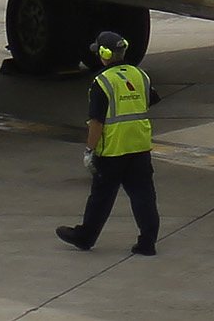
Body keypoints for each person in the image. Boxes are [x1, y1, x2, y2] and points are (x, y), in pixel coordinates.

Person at [55, 28, 155, 256]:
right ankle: (148, 241)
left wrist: (90, 150)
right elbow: (150, 100)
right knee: (144, 195)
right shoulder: (140, 75)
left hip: (113, 150)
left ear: (104, 54)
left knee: (101, 197)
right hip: (139, 145)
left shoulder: (102, 82)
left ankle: (85, 237)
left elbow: (97, 123)